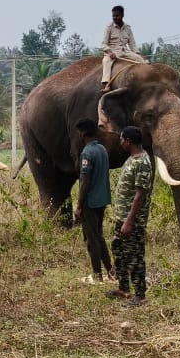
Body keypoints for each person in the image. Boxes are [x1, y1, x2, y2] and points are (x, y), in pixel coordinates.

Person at [108, 125, 153, 307]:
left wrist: (129, 221)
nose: (120, 142)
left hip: (132, 220)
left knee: (134, 256)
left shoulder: (142, 162)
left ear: (128, 141)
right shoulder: (132, 159)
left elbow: (140, 194)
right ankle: (123, 288)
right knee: (119, 252)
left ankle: (140, 295)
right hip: (122, 217)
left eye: (121, 139)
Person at [73, 118, 114, 284]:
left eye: (79, 132)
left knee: (91, 240)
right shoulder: (102, 149)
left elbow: (85, 182)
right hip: (102, 200)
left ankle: (97, 275)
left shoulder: (87, 153)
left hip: (90, 202)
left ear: (83, 133)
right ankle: (111, 271)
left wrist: (79, 206)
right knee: (99, 236)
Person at [100, 5, 147, 92]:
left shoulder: (127, 28)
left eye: (117, 15)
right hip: (112, 52)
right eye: (113, 16)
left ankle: (145, 80)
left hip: (125, 51)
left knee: (140, 60)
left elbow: (132, 45)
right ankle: (106, 85)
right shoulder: (109, 27)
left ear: (122, 15)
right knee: (106, 61)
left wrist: (140, 55)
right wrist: (110, 52)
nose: (115, 18)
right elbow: (103, 44)